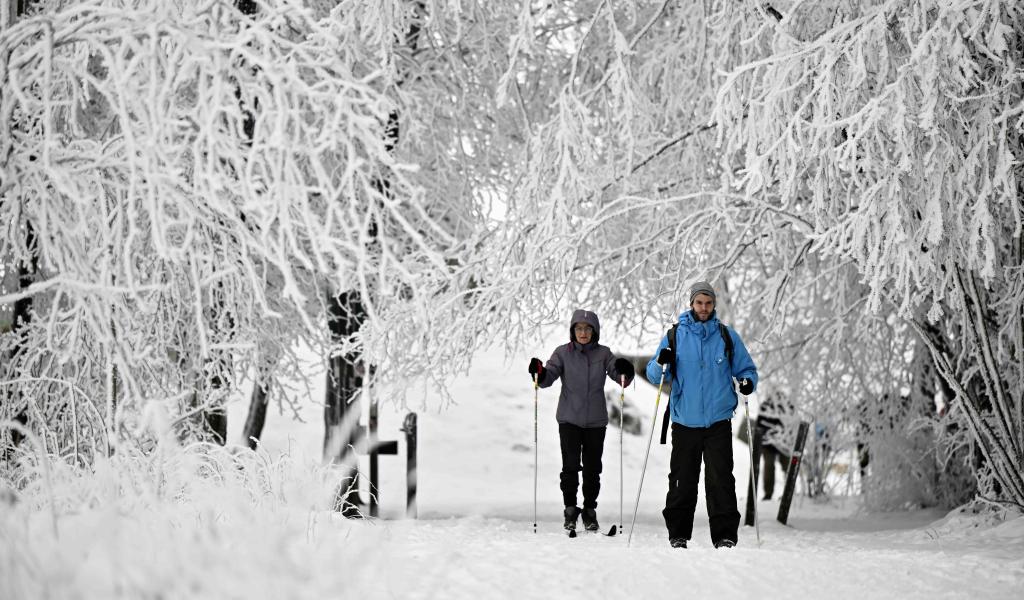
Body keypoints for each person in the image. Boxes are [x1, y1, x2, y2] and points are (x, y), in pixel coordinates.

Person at [646, 281, 758, 549]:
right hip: (685, 421)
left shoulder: (726, 336)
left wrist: (747, 382)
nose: (704, 307)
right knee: (682, 480)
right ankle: (678, 534)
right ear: (692, 304)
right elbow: (654, 374)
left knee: (721, 479)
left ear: (714, 304)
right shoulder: (675, 336)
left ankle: (725, 536)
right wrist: (661, 362)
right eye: (699, 302)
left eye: (708, 303)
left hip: (718, 421)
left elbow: (747, 369)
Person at [528, 309, 635, 533]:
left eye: (587, 329)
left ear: (594, 331)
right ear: (572, 331)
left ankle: (589, 511)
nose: (583, 332)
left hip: (596, 420)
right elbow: (547, 378)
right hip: (569, 418)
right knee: (570, 466)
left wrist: (626, 371)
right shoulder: (562, 353)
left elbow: (620, 377)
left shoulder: (604, 354)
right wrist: (539, 372)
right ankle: (570, 509)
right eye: (578, 328)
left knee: (593, 468)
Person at [754, 391, 790, 500]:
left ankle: (789, 493)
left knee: (787, 467)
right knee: (769, 467)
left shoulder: (786, 406)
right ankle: (768, 494)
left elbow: (790, 424)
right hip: (768, 444)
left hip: (783, 442)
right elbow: (759, 425)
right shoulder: (764, 406)